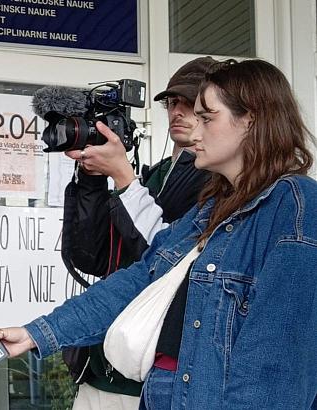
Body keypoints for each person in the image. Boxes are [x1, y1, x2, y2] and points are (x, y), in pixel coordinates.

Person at [0, 59, 317, 409]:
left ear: (252, 119)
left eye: (206, 117)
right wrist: (37, 334)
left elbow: (276, 369)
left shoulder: (295, 208)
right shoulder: (214, 206)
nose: (194, 132)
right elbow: (139, 279)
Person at [58, 58, 215, 408]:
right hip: (101, 364)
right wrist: (93, 177)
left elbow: (168, 261)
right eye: (172, 102)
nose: (179, 111)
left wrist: (124, 178)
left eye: (192, 103)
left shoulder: (219, 180)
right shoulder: (156, 174)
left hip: (152, 375)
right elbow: (91, 256)